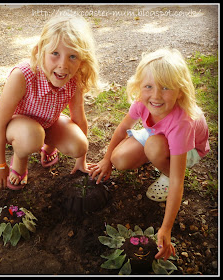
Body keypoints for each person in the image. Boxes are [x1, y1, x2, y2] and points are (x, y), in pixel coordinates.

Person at [89, 48, 210, 261]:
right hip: (157, 135)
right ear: (139, 87)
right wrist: (106, 160)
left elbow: (178, 183)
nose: (155, 95)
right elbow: (120, 129)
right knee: (120, 159)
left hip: (188, 148)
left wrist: (166, 228)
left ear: (180, 91)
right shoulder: (143, 103)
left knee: (154, 147)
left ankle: (164, 169)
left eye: (165, 88)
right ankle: (156, 155)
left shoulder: (182, 123)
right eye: (148, 86)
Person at [0, 14, 99, 190]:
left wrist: (82, 160)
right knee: (32, 137)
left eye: (73, 56)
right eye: (55, 53)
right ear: (40, 50)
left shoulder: (75, 78)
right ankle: (20, 158)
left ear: (82, 59)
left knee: (79, 146)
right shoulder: (23, 75)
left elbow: (78, 118)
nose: (63, 65)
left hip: (49, 122)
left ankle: (48, 147)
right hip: (17, 127)